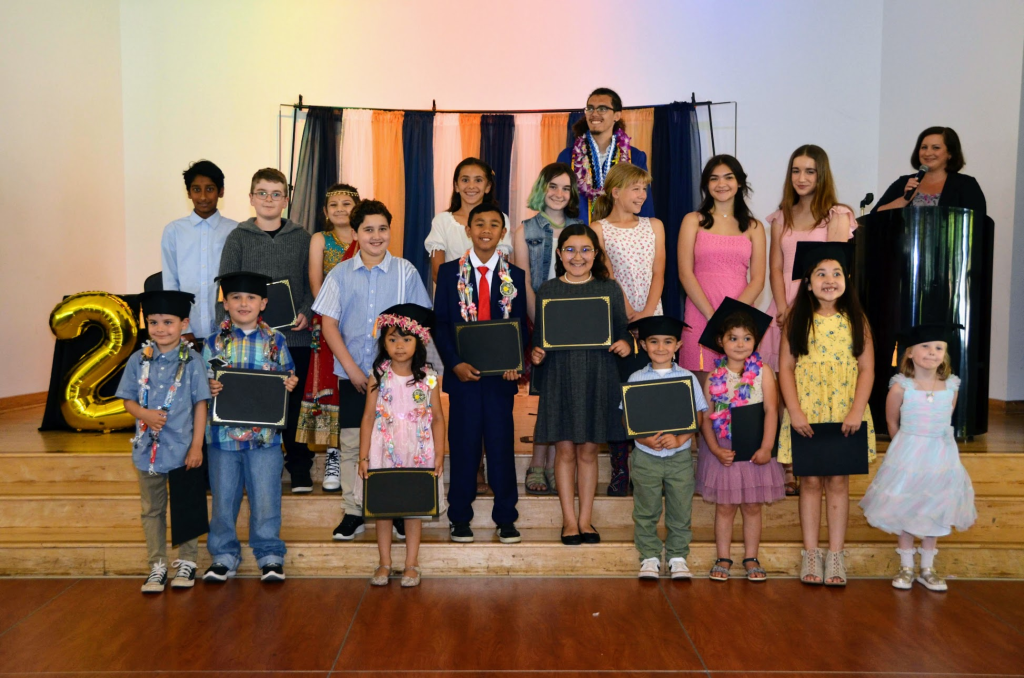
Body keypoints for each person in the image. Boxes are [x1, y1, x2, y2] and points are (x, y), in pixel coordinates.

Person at [313, 200, 433, 541]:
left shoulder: (406, 272)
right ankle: (354, 510)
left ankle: (395, 508)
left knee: (398, 442)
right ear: (355, 233)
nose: (376, 236)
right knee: (354, 443)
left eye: (382, 228)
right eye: (368, 229)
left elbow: (419, 323)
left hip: (397, 378)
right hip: (353, 375)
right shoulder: (339, 274)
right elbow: (329, 325)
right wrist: (353, 370)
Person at [778, 242, 876, 587]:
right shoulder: (796, 320)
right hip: (807, 411)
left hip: (845, 411)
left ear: (847, 280)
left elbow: (867, 369)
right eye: (821, 274)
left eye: (836, 273)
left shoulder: (857, 320)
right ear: (808, 283)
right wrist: (795, 411)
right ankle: (810, 553)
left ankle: (835, 555)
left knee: (837, 482)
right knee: (809, 481)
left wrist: (857, 411)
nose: (829, 280)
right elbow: (786, 368)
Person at [763, 145, 857, 497]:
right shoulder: (781, 217)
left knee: (811, 385)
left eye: (809, 171)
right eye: (796, 171)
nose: (801, 178)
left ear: (821, 175)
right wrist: (783, 306)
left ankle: (814, 459)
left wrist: (806, 309)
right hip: (784, 309)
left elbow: (835, 268)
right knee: (783, 388)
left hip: (819, 311)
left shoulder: (837, 215)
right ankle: (788, 463)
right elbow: (775, 268)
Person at [531, 225, 632, 545]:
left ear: (596, 254)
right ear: (559, 254)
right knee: (564, 450)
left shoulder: (609, 288)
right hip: (560, 377)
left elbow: (623, 332)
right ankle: (569, 521)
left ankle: (586, 520)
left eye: (586, 249)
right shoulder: (548, 290)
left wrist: (625, 343)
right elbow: (540, 341)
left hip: (598, 376)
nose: (578, 256)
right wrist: (536, 354)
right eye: (570, 250)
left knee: (588, 451)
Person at [434, 203, 528, 544]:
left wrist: (516, 363)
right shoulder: (449, 273)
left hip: (500, 380)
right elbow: (440, 324)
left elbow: (520, 326)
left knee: (501, 447)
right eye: (479, 224)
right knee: (464, 447)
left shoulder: (514, 276)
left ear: (502, 233)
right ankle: (460, 517)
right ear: (468, 230)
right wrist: (454, 363)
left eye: (493, 225)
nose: (486, 230)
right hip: (464, 378)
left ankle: (506, 517)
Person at [218, 168, 316, 493]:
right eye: (262, 193)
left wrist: (306, 312)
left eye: (276, 194)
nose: (269, 199)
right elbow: (226, 286)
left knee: (294, 401)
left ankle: (299, 466)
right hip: (250, 340)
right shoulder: (238, 237)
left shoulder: (302, 238)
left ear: (286, 200)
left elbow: (312, 284)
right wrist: (230, 327)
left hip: (295, 337)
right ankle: (256, 467)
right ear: (251, 198)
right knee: (256, 400)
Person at [860, 324, 976, 591]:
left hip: (940, 457)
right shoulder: (901, 387)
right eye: (925, 346)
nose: (932, 352)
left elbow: (945, 419)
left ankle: (927, 568)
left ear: (944, 355)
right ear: (910, 352)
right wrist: (902, 449)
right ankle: (906, 566)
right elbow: (892, 421)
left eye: (939, 348)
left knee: (935, 507)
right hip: (909, 455)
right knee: (907, 506)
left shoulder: (951, 386)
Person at [201, 272, 299, 583]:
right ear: (226, 304)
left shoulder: (276, 341)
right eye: (236, 298)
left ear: (263, 303)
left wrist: (290, 382)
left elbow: (288, 375)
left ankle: (269, 555)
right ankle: (223, 555)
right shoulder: (213, 342)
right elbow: (202, 382)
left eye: (251, 298)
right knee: (223, 499)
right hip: (223, 439)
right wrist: (209, 386)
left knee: (266, 498)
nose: (244, 303)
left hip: (264, 439)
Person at [115, 290, 211, 593]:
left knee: (187, 506)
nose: (160, 329)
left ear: (184, 324)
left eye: (168, 322)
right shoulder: (138, 360)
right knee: (152, 509)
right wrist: (144, 413)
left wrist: (196, 446)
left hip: (183, 450)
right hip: (148, 451)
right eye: (153, 322)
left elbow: (200, 404)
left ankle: (188, 562)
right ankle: (156, 565)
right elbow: (128, 400)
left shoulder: (193, 361)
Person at [591, 162, 667, 496]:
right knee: (618, 396)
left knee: (649, 396)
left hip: (652, 318)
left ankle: (648, 470)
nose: (642, 195)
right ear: (616, 191)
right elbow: (607, 275)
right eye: (635, 188)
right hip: (617, 321)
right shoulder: (598, 229)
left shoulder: (655, 226)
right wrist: (629, 317)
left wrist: (647, 315)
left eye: (644, 189)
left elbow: (659, 273)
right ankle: (620, 469)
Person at [357, 304, 446, 588]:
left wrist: (440, 454)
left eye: (406, 339)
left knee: (413, 507)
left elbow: (438, 418)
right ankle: (384, 562)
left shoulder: (429, 376)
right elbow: (368, 417)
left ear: (419, 341)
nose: (399, 346)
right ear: (383, 342)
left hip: (417, 449)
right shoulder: (378, 375)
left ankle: (411, 564)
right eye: (392, 339)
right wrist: (363, 457)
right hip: (383, 448)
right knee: (382, 508)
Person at [695, 300, 784, 582]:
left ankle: (751, 557)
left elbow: (771, 410)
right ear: (720, 341)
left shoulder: (763, 372)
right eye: (733, 338)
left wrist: (767, 447)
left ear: (756, 341)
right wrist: (714, 449)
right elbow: (705, 417)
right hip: (723, 451)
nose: (740, 344)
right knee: (724, 506)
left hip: (755, 449)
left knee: (753, 506)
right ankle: (723, 557)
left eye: (747, 338)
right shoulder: (713, 377)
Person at [513, 162, 585, 496]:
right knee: (544, 395)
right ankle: (536, 464)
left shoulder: (580, 229)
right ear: (542, 189)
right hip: (538, 320)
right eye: (553, 186)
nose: (559, 193)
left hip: (576, 324)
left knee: (567, 395)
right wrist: (540, 322)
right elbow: (523, 279)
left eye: (566, 188)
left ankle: (558, 465)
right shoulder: (524, 229)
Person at [626, 315, 707, 580]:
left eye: (668, 342)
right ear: (643, 345)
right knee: (645, 510)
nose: (661, 347)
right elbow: (628, 417)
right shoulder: (636, 378)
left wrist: (681, 439)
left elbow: (698, 415)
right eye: (654, 341)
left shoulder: (687, 377)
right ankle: (649, 557)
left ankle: (677, 557)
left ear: (678, 345)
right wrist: (643, 439)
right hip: (645, 456)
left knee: (680, 509)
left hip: (679, 457)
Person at [677, 155, 766, 382]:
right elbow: (685, 273)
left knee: (738, 387)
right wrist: (712, 316)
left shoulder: (754, 227)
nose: (721, 184)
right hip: (700, 311)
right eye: (714, 178)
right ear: (706, 184)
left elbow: (758, 280)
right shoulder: (692, 220)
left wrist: (730, 318)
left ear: (739, 182)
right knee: (701, 387)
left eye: (728, 177)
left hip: (739, 315)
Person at [296, 183, 360, 492]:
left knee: (356, 387)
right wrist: (334, 318)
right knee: (330, 387)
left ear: (356, 208)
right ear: (325, 211)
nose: (340, 209)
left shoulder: (366, 236)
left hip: (361, 326)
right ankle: (333, 454)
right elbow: (315, 283)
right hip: (329, 322)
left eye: (346, 203)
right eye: (333, 205)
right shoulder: (320, 239)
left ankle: (358, 453)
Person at [160, 160, 238, 348]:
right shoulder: (174, 231)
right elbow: (171, 284)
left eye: (210, 189)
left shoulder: (235, 230)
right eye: (196, 189)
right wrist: (183, 329)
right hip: (187, 332)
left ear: (221, 191)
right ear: (188, 193)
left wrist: (231, 327)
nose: (203, 196)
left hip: (228, 331)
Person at [557, 87, 653, 222]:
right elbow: (557, 201)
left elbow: (643, 202)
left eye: (602, 109)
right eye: (590, 108)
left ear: (617, 115)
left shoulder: (635, 156)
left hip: (621, 232)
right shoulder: (568, 157)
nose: (594, 113)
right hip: (579, 231)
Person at [425, 158, 513, 283]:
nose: (471, 186)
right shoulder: (442, 221)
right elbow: (437, 273)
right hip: (452, 292)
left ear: (488, 187)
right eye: (465, 180)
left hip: (488, 292)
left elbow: (501, 269)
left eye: (478, 180)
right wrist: (464, 293)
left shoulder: (501, 219)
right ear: (456, 186)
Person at [873, 126, 986, 216]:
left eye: (936, 147)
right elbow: (874, 217)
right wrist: (904, 199)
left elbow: (978, 224)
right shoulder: (904, 183)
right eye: (924, 147)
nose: (927, 153)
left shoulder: (966, 185)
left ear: (950, 153)